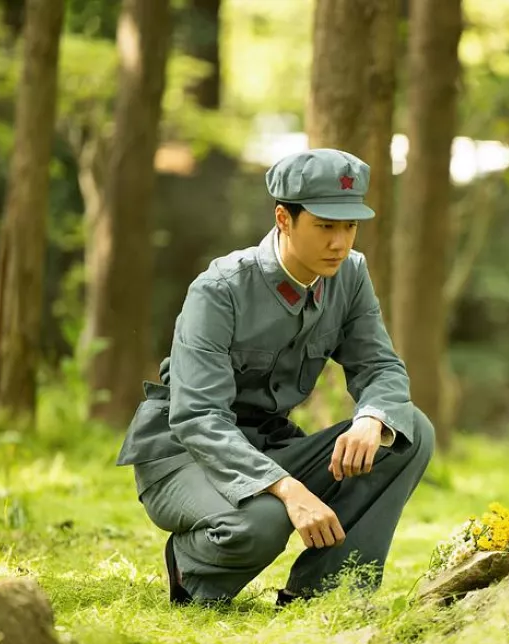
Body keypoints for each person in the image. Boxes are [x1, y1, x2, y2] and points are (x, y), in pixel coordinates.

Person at [115, 148, 436, 607]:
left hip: (268, 442)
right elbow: (198, 417)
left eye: (350, 227)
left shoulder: (350, 275)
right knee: (263, 521)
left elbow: (380, 367)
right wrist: (289, 489)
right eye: (326, 227)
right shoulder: (220, 289)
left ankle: (324, 595)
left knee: (406, 431)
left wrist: (372, 417)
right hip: (184, 454)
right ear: (284, 219)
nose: (340, 243)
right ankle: (192, 569)